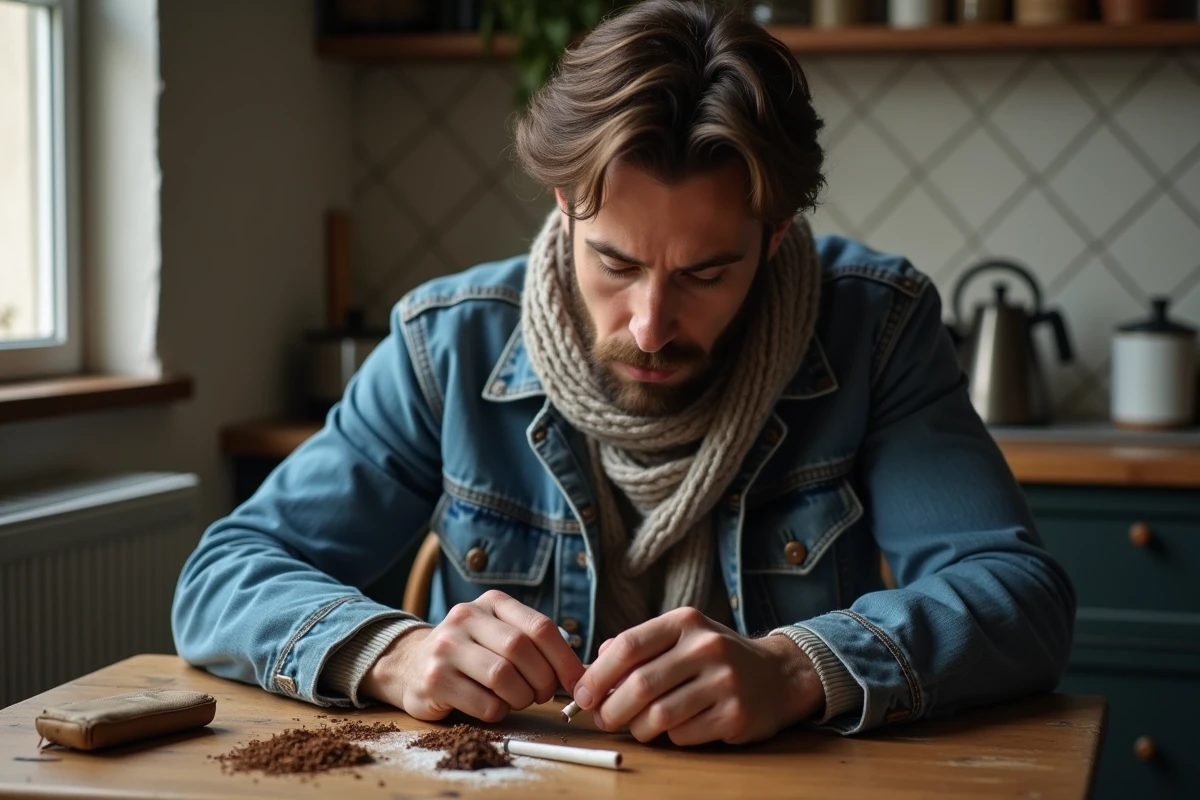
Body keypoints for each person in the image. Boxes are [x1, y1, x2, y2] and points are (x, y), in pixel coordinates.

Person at [172, 0, 1075, 745]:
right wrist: (393, 653)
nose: (649, 326)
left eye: (705, 273)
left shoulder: (876, 326)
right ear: (565, 207)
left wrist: (798, 667)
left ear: (774, 234)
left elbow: (1019, 597)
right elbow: (224, 574)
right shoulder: (442, 344)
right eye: (614, 262)